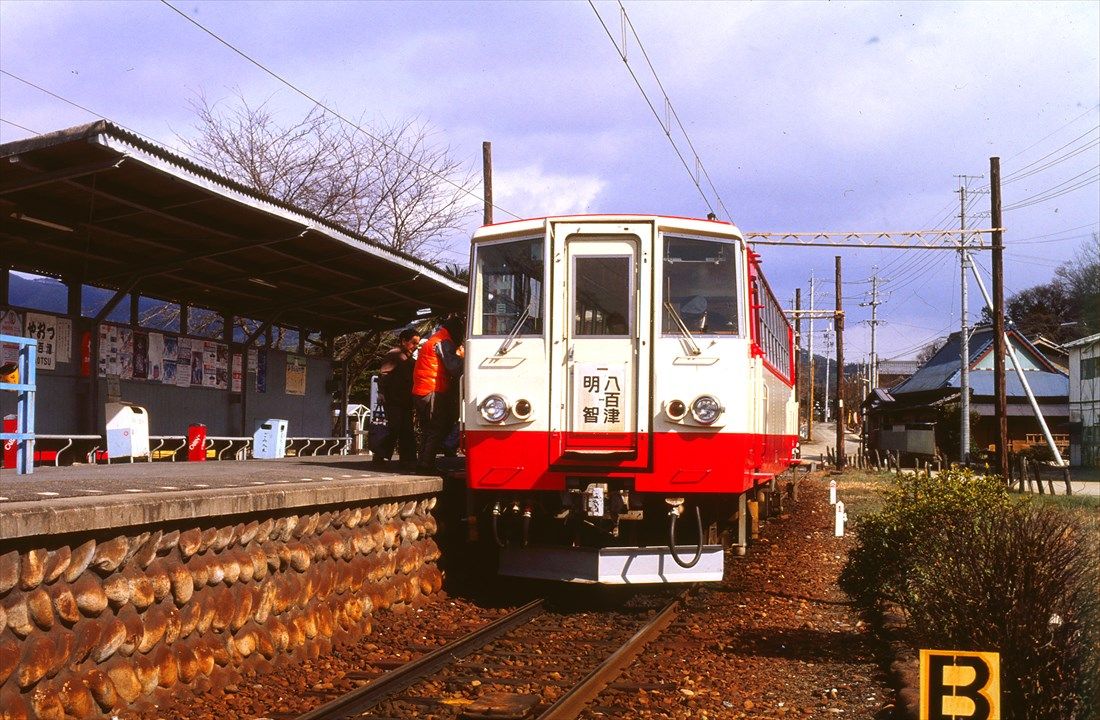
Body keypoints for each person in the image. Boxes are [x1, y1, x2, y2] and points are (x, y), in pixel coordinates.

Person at [412, 317, 465, 474]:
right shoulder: (443, 341)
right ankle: (426, 465)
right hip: (432, 389)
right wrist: (468, 360)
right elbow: (454, 367)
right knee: (436, 428)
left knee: (428, 430)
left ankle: (422, 463)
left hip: (422, 390)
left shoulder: (435, 339)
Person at [373, 328, 420, 468]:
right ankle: (382, 455)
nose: (416, 346)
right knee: (395, 428)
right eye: (413, 342)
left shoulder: (410, 360)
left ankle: (407, 459)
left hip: (405, 401)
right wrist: (381, 392)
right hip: (393, 400)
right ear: (404, 341)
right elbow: (384, 374)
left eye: (417, 343)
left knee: (406, 429)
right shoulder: (394, 355)